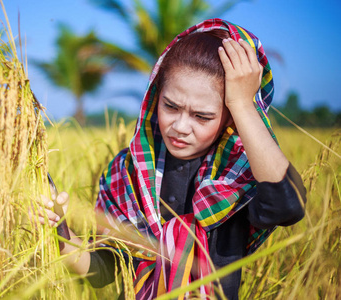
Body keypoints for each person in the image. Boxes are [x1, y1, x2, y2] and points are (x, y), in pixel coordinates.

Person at [38, 18, 306, 299]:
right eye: (170, 106)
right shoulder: (128, 171)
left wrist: (242, 103)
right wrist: (60, 231)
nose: (180, 126)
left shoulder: (239, 177)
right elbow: (103, 270)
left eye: (202, 116)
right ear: (155, 97)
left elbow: (288, 206)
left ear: (230, 118)